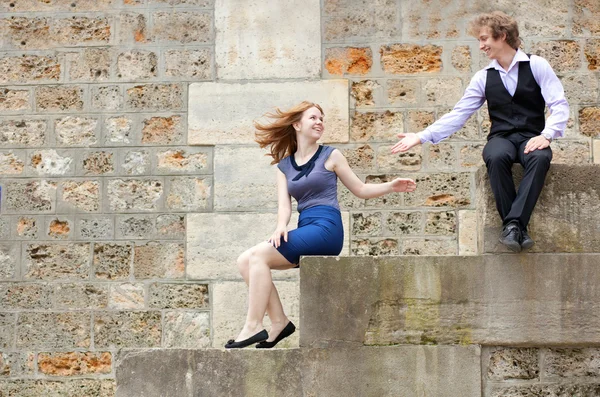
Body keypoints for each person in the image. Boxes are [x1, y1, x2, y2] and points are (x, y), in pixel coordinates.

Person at [225, 101, 417, 349]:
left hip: (326, 229)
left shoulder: (331, 155)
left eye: (322, 119)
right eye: (313, 118)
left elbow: (360, 189)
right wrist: (280, 226)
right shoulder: (284, 167)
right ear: (297, 125)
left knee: (259, 256)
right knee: (245, 261)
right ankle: (279, 322)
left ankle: (253, 326)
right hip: (306, 227)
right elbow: (285, 207)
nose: (319, 123)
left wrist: (391, 186)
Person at [391, 11, 569, 253]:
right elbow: (459, 114)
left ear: (502, 36)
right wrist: (421, 136)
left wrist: (546, 135)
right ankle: (517, 227)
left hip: (532, 136)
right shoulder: (483, 77)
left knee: (539, 157)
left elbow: (558, 104)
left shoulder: (536, 65)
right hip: (502, 138)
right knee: (495, 156)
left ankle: (512, 225)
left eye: (484, 39)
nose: (481, 46)